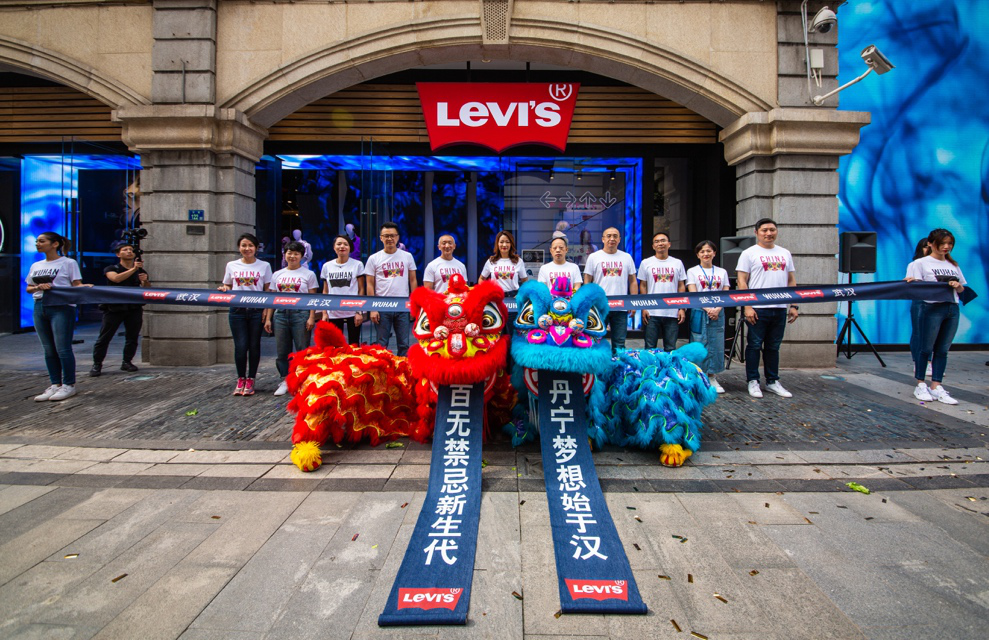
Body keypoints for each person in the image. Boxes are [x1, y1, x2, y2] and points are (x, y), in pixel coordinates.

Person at [735, 218, 798, 399]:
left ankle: (772, 381)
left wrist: (794, 305)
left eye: (772, 229)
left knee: (773, 346)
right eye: (764, 230)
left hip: (779, 307)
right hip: (757, 308)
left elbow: (791, 280)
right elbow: (742, 281)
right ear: (756, 232)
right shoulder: (748, 253)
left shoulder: (785, 253)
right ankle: (753, 380)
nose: (768, 233)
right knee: (754, 345)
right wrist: (747, 306)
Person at [25, 232, 90, 401]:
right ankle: (55, 384)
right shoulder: (36, 265)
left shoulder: (68, 262)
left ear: (55, 244)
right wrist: (38, 287)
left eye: (42, 241)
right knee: (48, 349)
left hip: (62, 306)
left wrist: (86, 288)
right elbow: (29, 288)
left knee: (62, 348)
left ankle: (69, 384)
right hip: (40, 306)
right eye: (37, 241)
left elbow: (76, 284)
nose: (38, 244)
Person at [910, 228, 966, 405]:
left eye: (949, 244)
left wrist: (957, 286)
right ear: (931, 244)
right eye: (942, 243)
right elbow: (914, 287)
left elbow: (962, 288)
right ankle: (920, 384)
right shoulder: (920, 263)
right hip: (931, 308)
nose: (946, 247)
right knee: (925, 348)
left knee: (943, 349)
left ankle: (936, 386)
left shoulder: (953, 265)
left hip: (952, 308)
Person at [219, 233, 272, 396]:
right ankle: (241, 378)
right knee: (240, 346)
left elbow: (268, 290)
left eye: (250, 245)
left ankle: (251, 379)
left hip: (257, 311)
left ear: (256, 248)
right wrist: (225, 289)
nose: (247, 248)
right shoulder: (231, 265)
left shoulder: (264, 266)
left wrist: (266, 310)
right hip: (237, 311)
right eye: (244, 245)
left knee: (254, 345)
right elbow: (228, 285)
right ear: (239, 248)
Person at [265, 241, 319, 397]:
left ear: (301, 256)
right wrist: (268, 318)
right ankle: (285, 379)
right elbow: (272, 298)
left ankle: (302, 380)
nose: (292, 256)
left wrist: (311, 317)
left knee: (302, 349)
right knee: (282, 351)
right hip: (280, 314)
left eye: (296, 253)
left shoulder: (308, 274)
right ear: (285, 255)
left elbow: (312, 298)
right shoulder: (277, 274)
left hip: (301, 314)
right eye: (289, 253)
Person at [89, 243, 149, 377]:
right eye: (125, 250)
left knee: (132, 337)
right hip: (114, 308)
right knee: (105, 337)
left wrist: (145, 281)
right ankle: (97, 364)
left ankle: (127, 362)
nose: (129, 252)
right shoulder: (112, 268)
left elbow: (147, 289)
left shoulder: (140, 271)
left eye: (131, 250)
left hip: (133, 307)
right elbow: (116, 279)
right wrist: (134, 269)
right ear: (118, 254)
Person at [365, 222, 417, 356]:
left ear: (398, 237)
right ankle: (383, 368)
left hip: (402, 306)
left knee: (404, 344)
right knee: (381, 343)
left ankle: (403, 368)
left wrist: (414, 305)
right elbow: (369, 284)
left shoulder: (407, 256)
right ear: (381, 238)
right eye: (386, 236)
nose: (390, 238)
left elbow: (413, 281)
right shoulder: (373, 258)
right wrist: (372, 308)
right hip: (382, 306)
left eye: (392, 235)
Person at [583, 227, 638, 353]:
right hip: (599, 307)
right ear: (603, 239)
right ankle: (599, 365)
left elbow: (633, 281)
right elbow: (587, 280)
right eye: (608, 236)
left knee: (619, 343)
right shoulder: (593, 257)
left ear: (619, 239)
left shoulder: (627, 257)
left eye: (615, 236)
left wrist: (633, 303)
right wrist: (588, 302)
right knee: (597, 340)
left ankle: (617, 365)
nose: (612, 239)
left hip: (621, 307)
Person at [686, 240, 730, 393]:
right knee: (699, 342)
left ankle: (712, 377)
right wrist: (708, 308)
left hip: (718, 311)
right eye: (702, 251)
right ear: (698, 255)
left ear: (714, 253)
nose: (706, 254)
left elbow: (725, 293)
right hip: (699, 311)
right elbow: (693, 293)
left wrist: (716, 309)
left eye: (709, 251)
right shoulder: (692, 271)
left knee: (716, 344)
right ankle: (699, 376)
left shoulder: (722, 272)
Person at [637, 231, 686, 351]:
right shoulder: (646, 263)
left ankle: (669, 365)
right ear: (653, 246)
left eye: (663, 240)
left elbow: (681, 286)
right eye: (657, 241)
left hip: (672, 311)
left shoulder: (677, 263)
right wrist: (644, 307)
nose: (660, 243)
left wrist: (682, 308)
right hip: (652, 311)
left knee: (671, 347)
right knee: (650, 347)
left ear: (669, 244)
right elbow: (643, 285)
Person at [321, 234, 365, 345]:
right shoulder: (327, 266)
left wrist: (359, 312)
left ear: (350, 247)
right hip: (333, 312)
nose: (342, 246)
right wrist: (324, 313)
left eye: (345, 244)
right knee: (335, 345)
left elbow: (361, 289)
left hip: (352, 311)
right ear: (334, 247)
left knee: (354, 344)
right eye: (339, 244)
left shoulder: (358, 265)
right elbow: (325, 291)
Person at [905, 238, 932, 377]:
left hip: (936, 301)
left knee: (933, 333)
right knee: (918, 332)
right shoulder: (915, 264)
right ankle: (919, 362)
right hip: (920, 300)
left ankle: (930, 362)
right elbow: (909, 283)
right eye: (925, 247)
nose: (928, 249)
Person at [480, 231, 528, 296]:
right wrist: (485, 293)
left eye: (507, 242)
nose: (504, 245)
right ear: (497, 244)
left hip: (513, 297)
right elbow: (482, 278)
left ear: (511, 244)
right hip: (495, 297)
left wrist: (521, 295)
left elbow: (525, 280)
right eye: (501, 242)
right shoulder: (491, 261)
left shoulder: (518, 261)